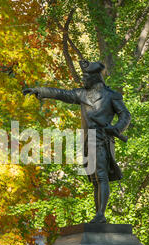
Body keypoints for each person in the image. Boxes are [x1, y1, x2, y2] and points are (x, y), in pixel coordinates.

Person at [23, 60, 131, 223]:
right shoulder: (82, 94)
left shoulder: (110, 96)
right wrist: (40, 90)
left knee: (102, 175)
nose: (83, 79)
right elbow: (61, 94)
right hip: (88, 141)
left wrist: (116, 128)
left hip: (102, 139)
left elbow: (125, 115)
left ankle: (101, 215)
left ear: (95, 77)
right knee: (94, 178)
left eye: (86, 76)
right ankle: (98, 216)